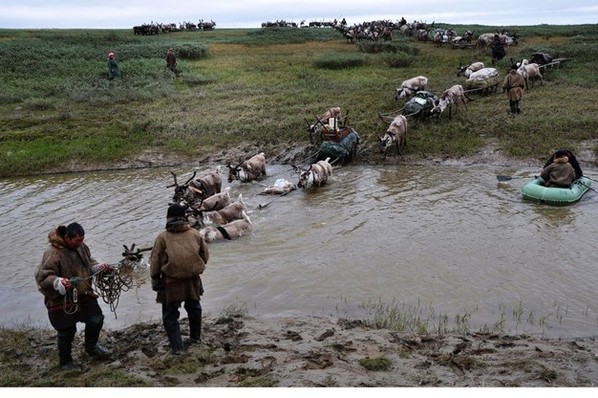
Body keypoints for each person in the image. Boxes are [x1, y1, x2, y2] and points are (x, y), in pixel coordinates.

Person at [35, 223, 112, 370]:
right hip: (61, 299)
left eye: (82, 240)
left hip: (83, 293)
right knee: (67, 331)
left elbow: (89, 262)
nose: (80, 243)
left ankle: (91, 347)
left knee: (96, 319)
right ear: (66, 238)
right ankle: (65, 362)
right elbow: (43, 278)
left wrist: (98, 267)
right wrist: (58, 282)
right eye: (77, 240)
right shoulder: (52, 252)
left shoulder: (81, 246)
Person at [150, 204, 209, 355]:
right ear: (185, 218)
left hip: (171, 281)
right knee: (194, 308)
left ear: (168, 218)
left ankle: (178, 348)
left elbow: (155, 261)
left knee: (170, 316)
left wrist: (155, 280)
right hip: (192, 280)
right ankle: (195, 338)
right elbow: (205, 256)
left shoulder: (162, 237)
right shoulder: (195, 234)